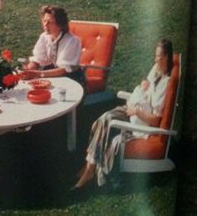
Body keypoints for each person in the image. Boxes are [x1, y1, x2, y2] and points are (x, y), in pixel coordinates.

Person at [74, 39, 174, 189]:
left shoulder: (166, 84)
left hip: (140, 122)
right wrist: (144, 83)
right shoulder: (157, 68)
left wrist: (137, 111)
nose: (155, 59)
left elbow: (156, 121)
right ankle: (90, 164)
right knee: (103, 119)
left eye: (159, 56)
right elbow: (147, 81)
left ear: (166, 57)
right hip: (133, 110)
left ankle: (89, 170)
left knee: (108, 120)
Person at [21, 5, 84, 84]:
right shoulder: (44, 36)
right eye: (44, 21)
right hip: (53, 74)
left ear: (60, 24)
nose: (45, 24)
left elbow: (64, 69)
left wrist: (38, 74)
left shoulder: (72, 41)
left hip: (71, 77)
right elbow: (38, 59)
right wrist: (29, 70)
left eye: (50, 22)